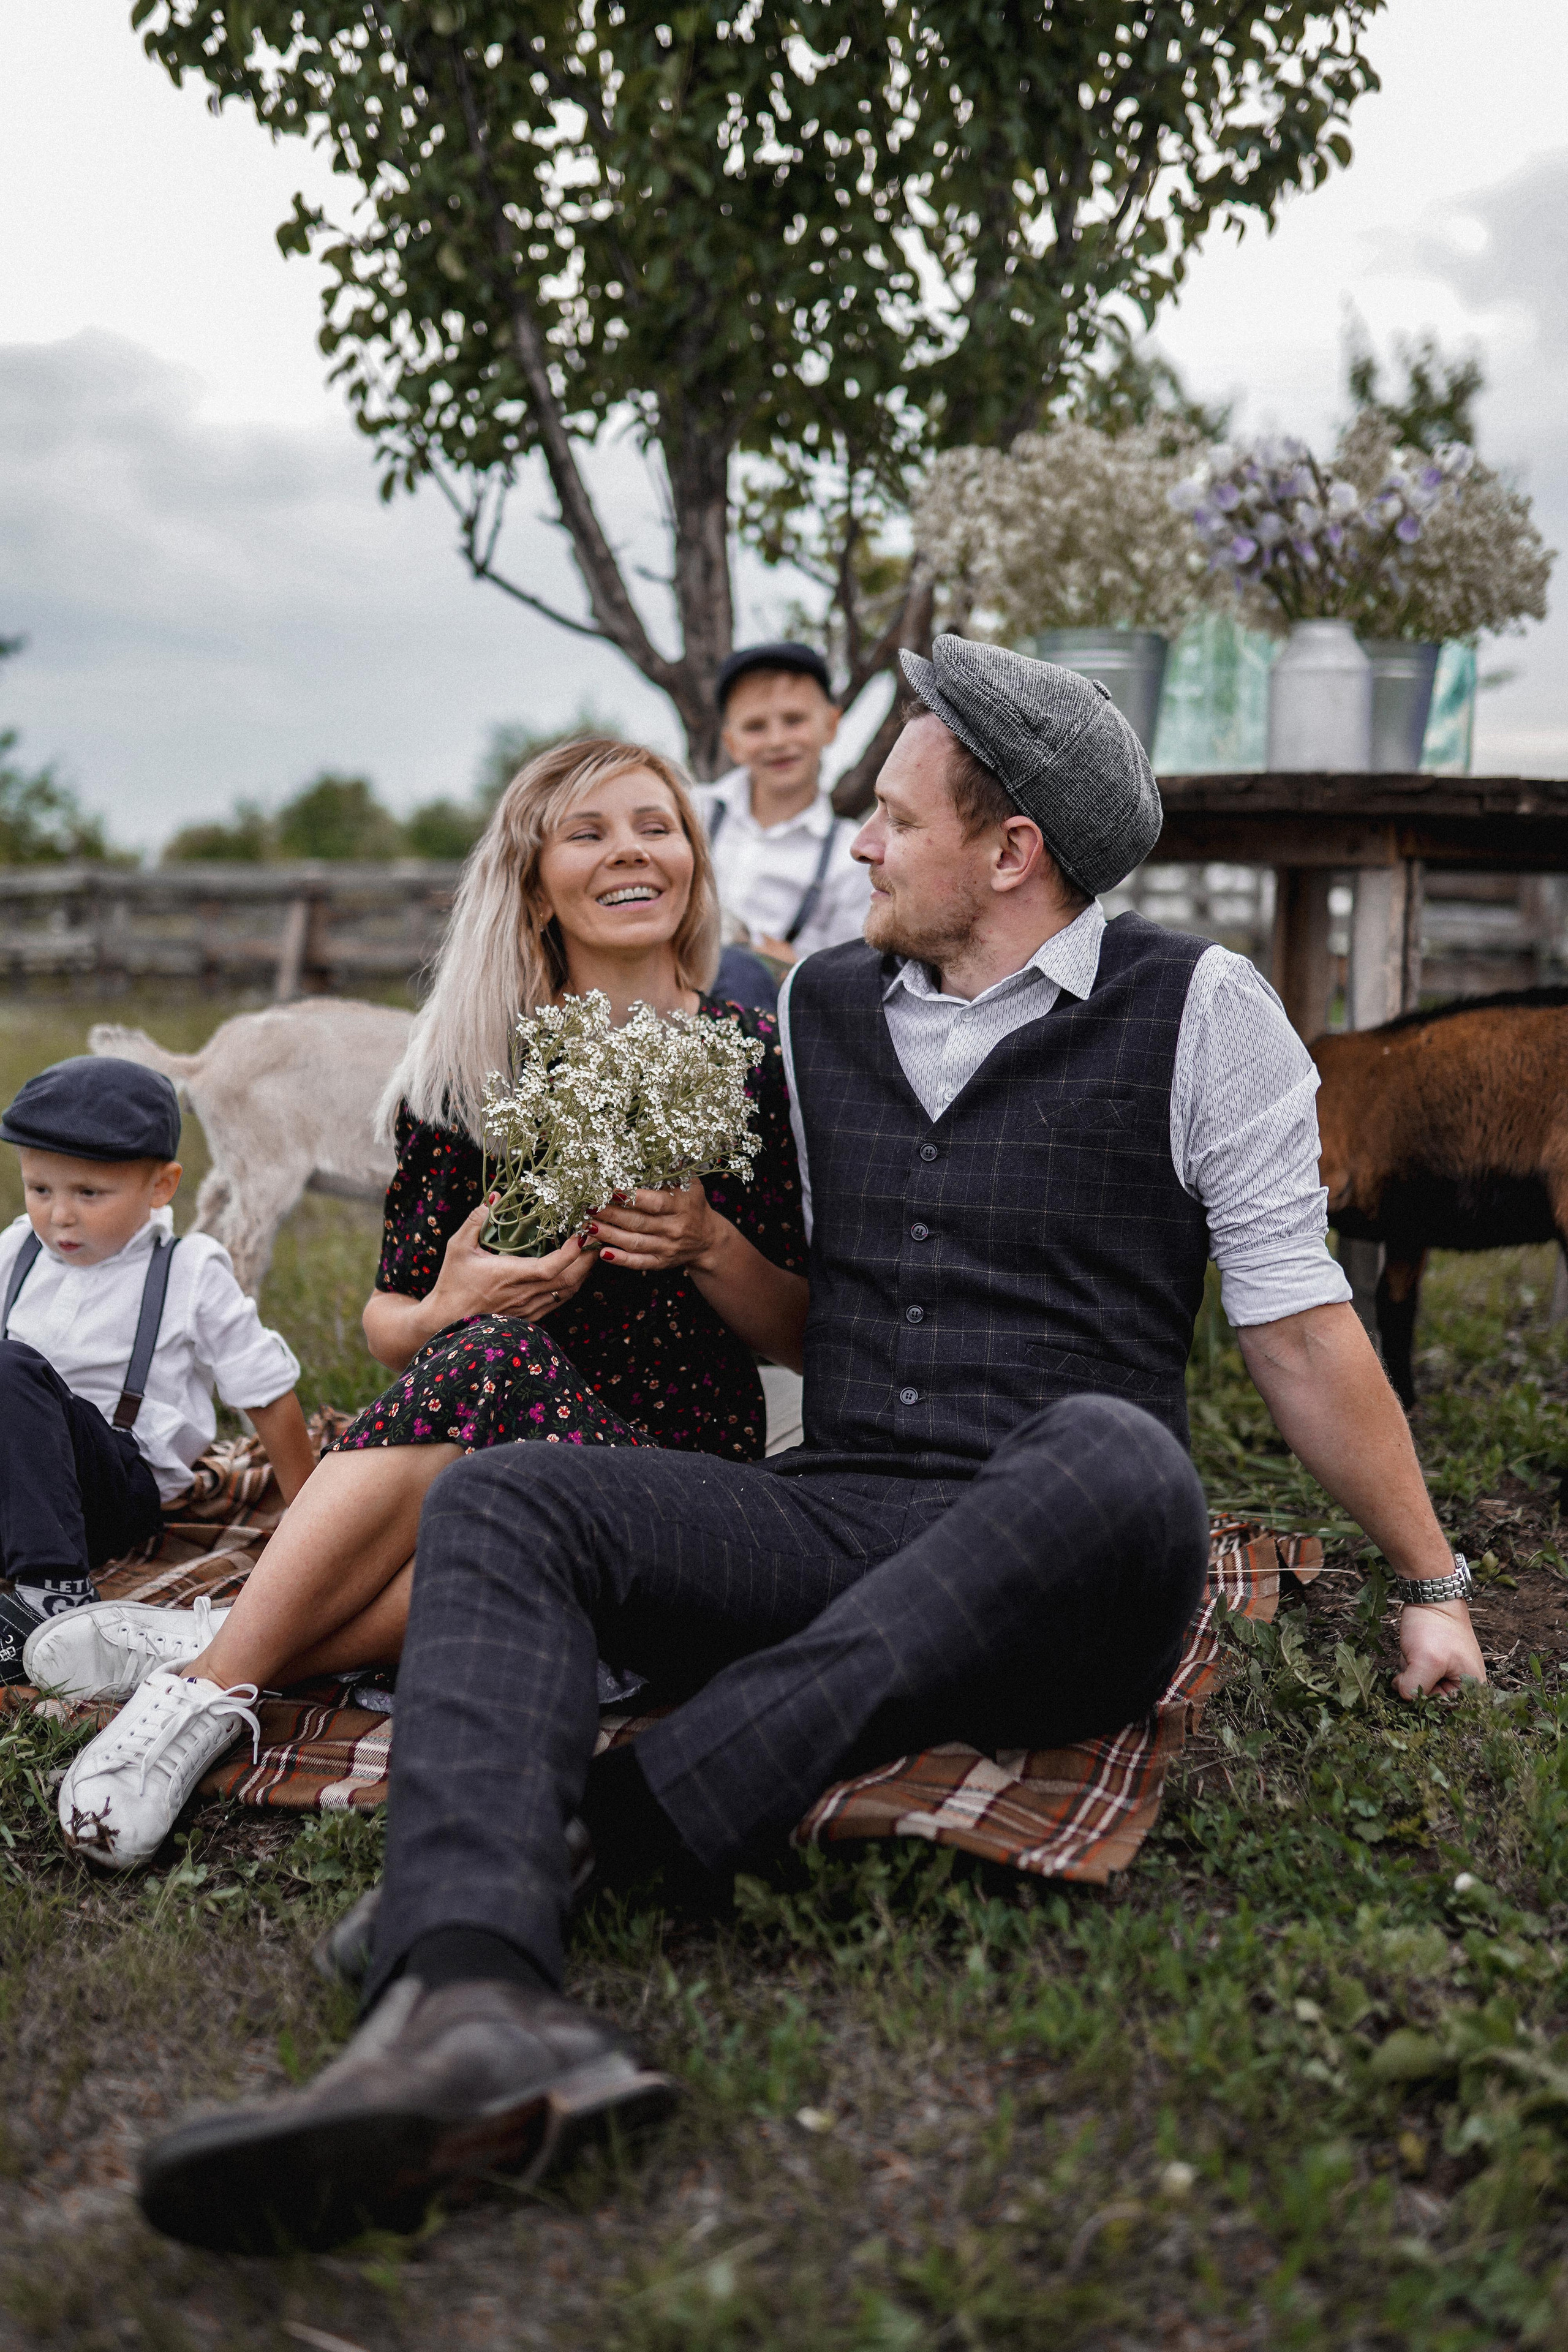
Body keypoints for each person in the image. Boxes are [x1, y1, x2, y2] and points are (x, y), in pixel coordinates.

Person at [135, 640, 1486, 2258]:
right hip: (842, 1519)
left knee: (1123, 1453)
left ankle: (634, 1817)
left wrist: (1432, 1579)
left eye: (893, 818)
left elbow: (1301, 1331)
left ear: (1011, 852)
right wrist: (629, 1239)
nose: (852, 843)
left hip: (1066, 1557)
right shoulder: (822, 1010)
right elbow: (758, 1279)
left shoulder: (1203, 1015)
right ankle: (473, 2007)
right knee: (508, 1504)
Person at [39, 736, 807, 1870]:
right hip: (484, 1462)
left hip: (679, 1473)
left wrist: (707, 1242)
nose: (632, 853)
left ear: (692, 856)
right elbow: (388, 1329)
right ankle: (230, 1668)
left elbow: (801, 1333)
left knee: (488, 1391)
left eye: (658, 825)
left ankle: (215, 1664)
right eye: (588, 833)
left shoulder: (746, 1053)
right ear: (535, 884)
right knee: (487, 1376)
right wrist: (453, 1296)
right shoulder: (467, 1072)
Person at [0, 1056, 312, 1687]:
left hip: (112, 1490)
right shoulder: (15, 1250)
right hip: (18, 1484)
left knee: (9, 1369)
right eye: (41, 1190)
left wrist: (312, 1526)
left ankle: (54, 1598)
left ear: (161, 1187)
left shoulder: (189, 1271)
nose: (60, 1215)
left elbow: (267, 1394)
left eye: (89, 1193)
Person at [701, 641, 872, 974]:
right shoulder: (692, 812)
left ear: (831, 725)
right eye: (755, 727)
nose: (777, 741)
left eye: (794, 720)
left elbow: (849, 978)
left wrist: (793, 967)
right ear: (731, 744)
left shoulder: (853, 857)